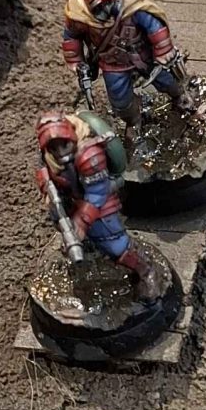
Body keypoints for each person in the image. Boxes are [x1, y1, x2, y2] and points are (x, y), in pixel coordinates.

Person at [34, 111, 148, 285]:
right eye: (54, 148)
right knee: (84, 240)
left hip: (100, 202)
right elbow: (49, 182)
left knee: (114, 244)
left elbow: (97, 193)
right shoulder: (49, 158)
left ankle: (145, 271)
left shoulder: (89, 154)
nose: (60, 152)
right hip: (75, 200)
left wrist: (81, 222)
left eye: (64, 144)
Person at [61, 0, 185, 129]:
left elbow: (154, 26)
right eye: (101, 7)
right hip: (113, 62)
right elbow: (71, 38)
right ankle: (134, 122)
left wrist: (164, 50)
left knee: (167, 80)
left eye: (108, 3)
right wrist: (77, 62)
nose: (106, 10)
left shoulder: (132, 6)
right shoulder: (80, 16)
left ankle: (180, 97)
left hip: (143, 53)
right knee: (120, 99)